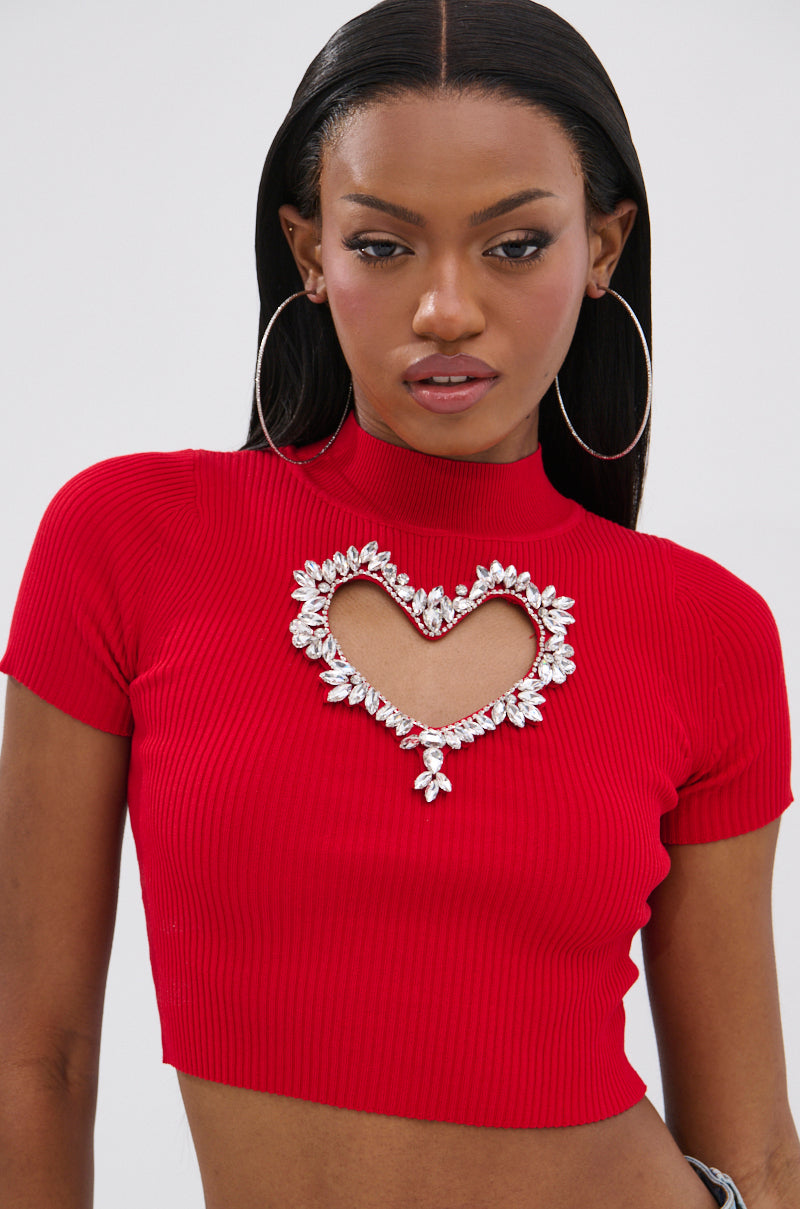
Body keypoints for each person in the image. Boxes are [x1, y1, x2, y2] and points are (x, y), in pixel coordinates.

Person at [0, 0, 797, 1205]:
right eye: (381, 246)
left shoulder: (705, 630)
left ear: (601, 249)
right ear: (308, 250)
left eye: (514, 245)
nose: (445, 309)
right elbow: (35, 1061)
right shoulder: (130, 540)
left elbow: (754, 1147)